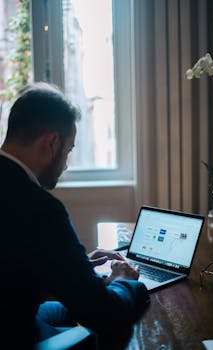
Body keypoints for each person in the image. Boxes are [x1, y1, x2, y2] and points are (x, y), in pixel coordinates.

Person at [0, 82, 150, 349]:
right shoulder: (41, 208)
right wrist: (125, 281)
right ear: (52, 141)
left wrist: (75, 267)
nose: (66, 163)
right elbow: (104, 316)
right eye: (68, 150)